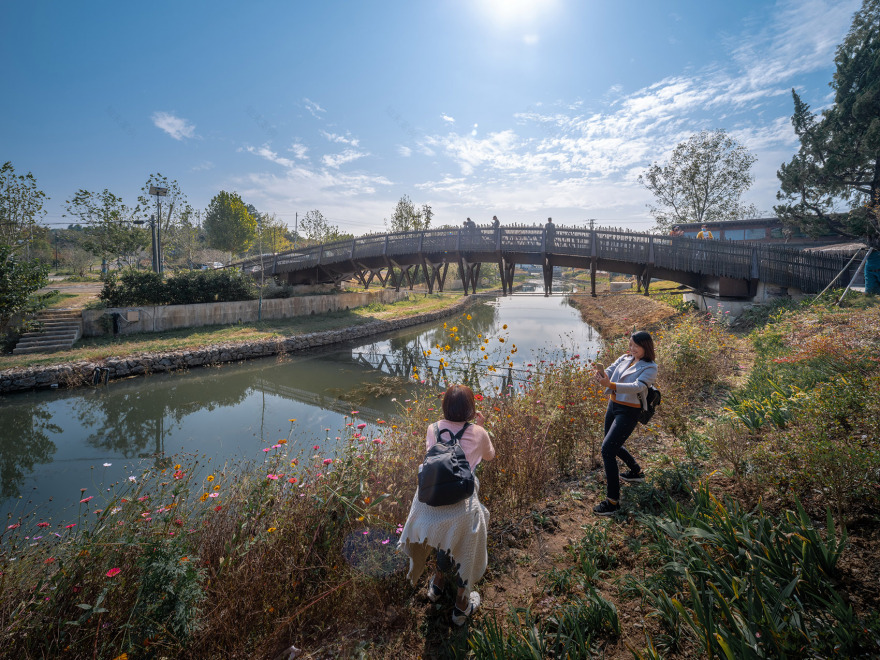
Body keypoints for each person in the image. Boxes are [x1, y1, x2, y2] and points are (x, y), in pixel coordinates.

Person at [398, 384, 496, 626]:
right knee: (468, 548)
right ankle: (461, 606)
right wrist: (480, 428)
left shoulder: (432, 428)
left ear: (445, 406)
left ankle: (437, 584)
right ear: (471, 408)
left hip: (430, 502)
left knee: (442, 537)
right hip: (462, 502)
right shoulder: (478, 433)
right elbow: (490, 456)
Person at [592, 331, 658, 516]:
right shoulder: (625, 358)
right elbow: (611, 370)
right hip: (613, 405)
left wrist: (610, 385)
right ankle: (636, 472)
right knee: (611, 443)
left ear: (646, 347)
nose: (631, 349)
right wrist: (602, 375)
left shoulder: (650, 367)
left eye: (636, 346)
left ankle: (612, 502)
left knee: (607, 450)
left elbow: (638, 386)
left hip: (629, 411)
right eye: (630, 345)